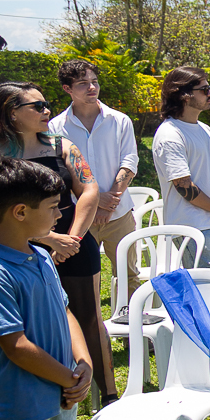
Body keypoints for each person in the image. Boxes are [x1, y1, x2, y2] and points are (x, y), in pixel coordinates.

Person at [0, 156, 127, 420]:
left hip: (59, 395)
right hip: (18, 407)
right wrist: (69, 378)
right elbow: (15, 344)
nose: (61, 212)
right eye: (54, 206)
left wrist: (84, 359)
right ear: (20, 212)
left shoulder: (38, 253)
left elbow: (65, 309)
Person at [0, 82, 117, 407]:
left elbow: (89, 190)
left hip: (74, 244)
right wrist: (46, 238)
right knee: (35, 322)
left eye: (46, 104)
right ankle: (60, 395)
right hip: (22, 249)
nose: (47, 111)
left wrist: (73, 239)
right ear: (12, 113)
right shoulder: (1, 156)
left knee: (88, 317)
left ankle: (108, 396)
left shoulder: (61, 145)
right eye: (37, 107)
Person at [48, 59, 140, 302]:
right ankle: (91, 330)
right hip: (79, 218)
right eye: (83, 83)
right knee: (83, 278)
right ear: (67, 89)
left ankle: (136, 330)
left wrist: (109, 202)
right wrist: (96, 201)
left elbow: (130, 161)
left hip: (118, 213)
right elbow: (60, 174)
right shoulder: (55, 127)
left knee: (129, 275)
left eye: (94, 82)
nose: (92, 87)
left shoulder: (120, 120)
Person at [151, 67, 210, 270]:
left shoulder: (204, 129)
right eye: (204, 89)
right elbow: (183, 186)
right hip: (191, 226)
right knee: (208, 293)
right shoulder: (170, 135)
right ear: (184, 95)